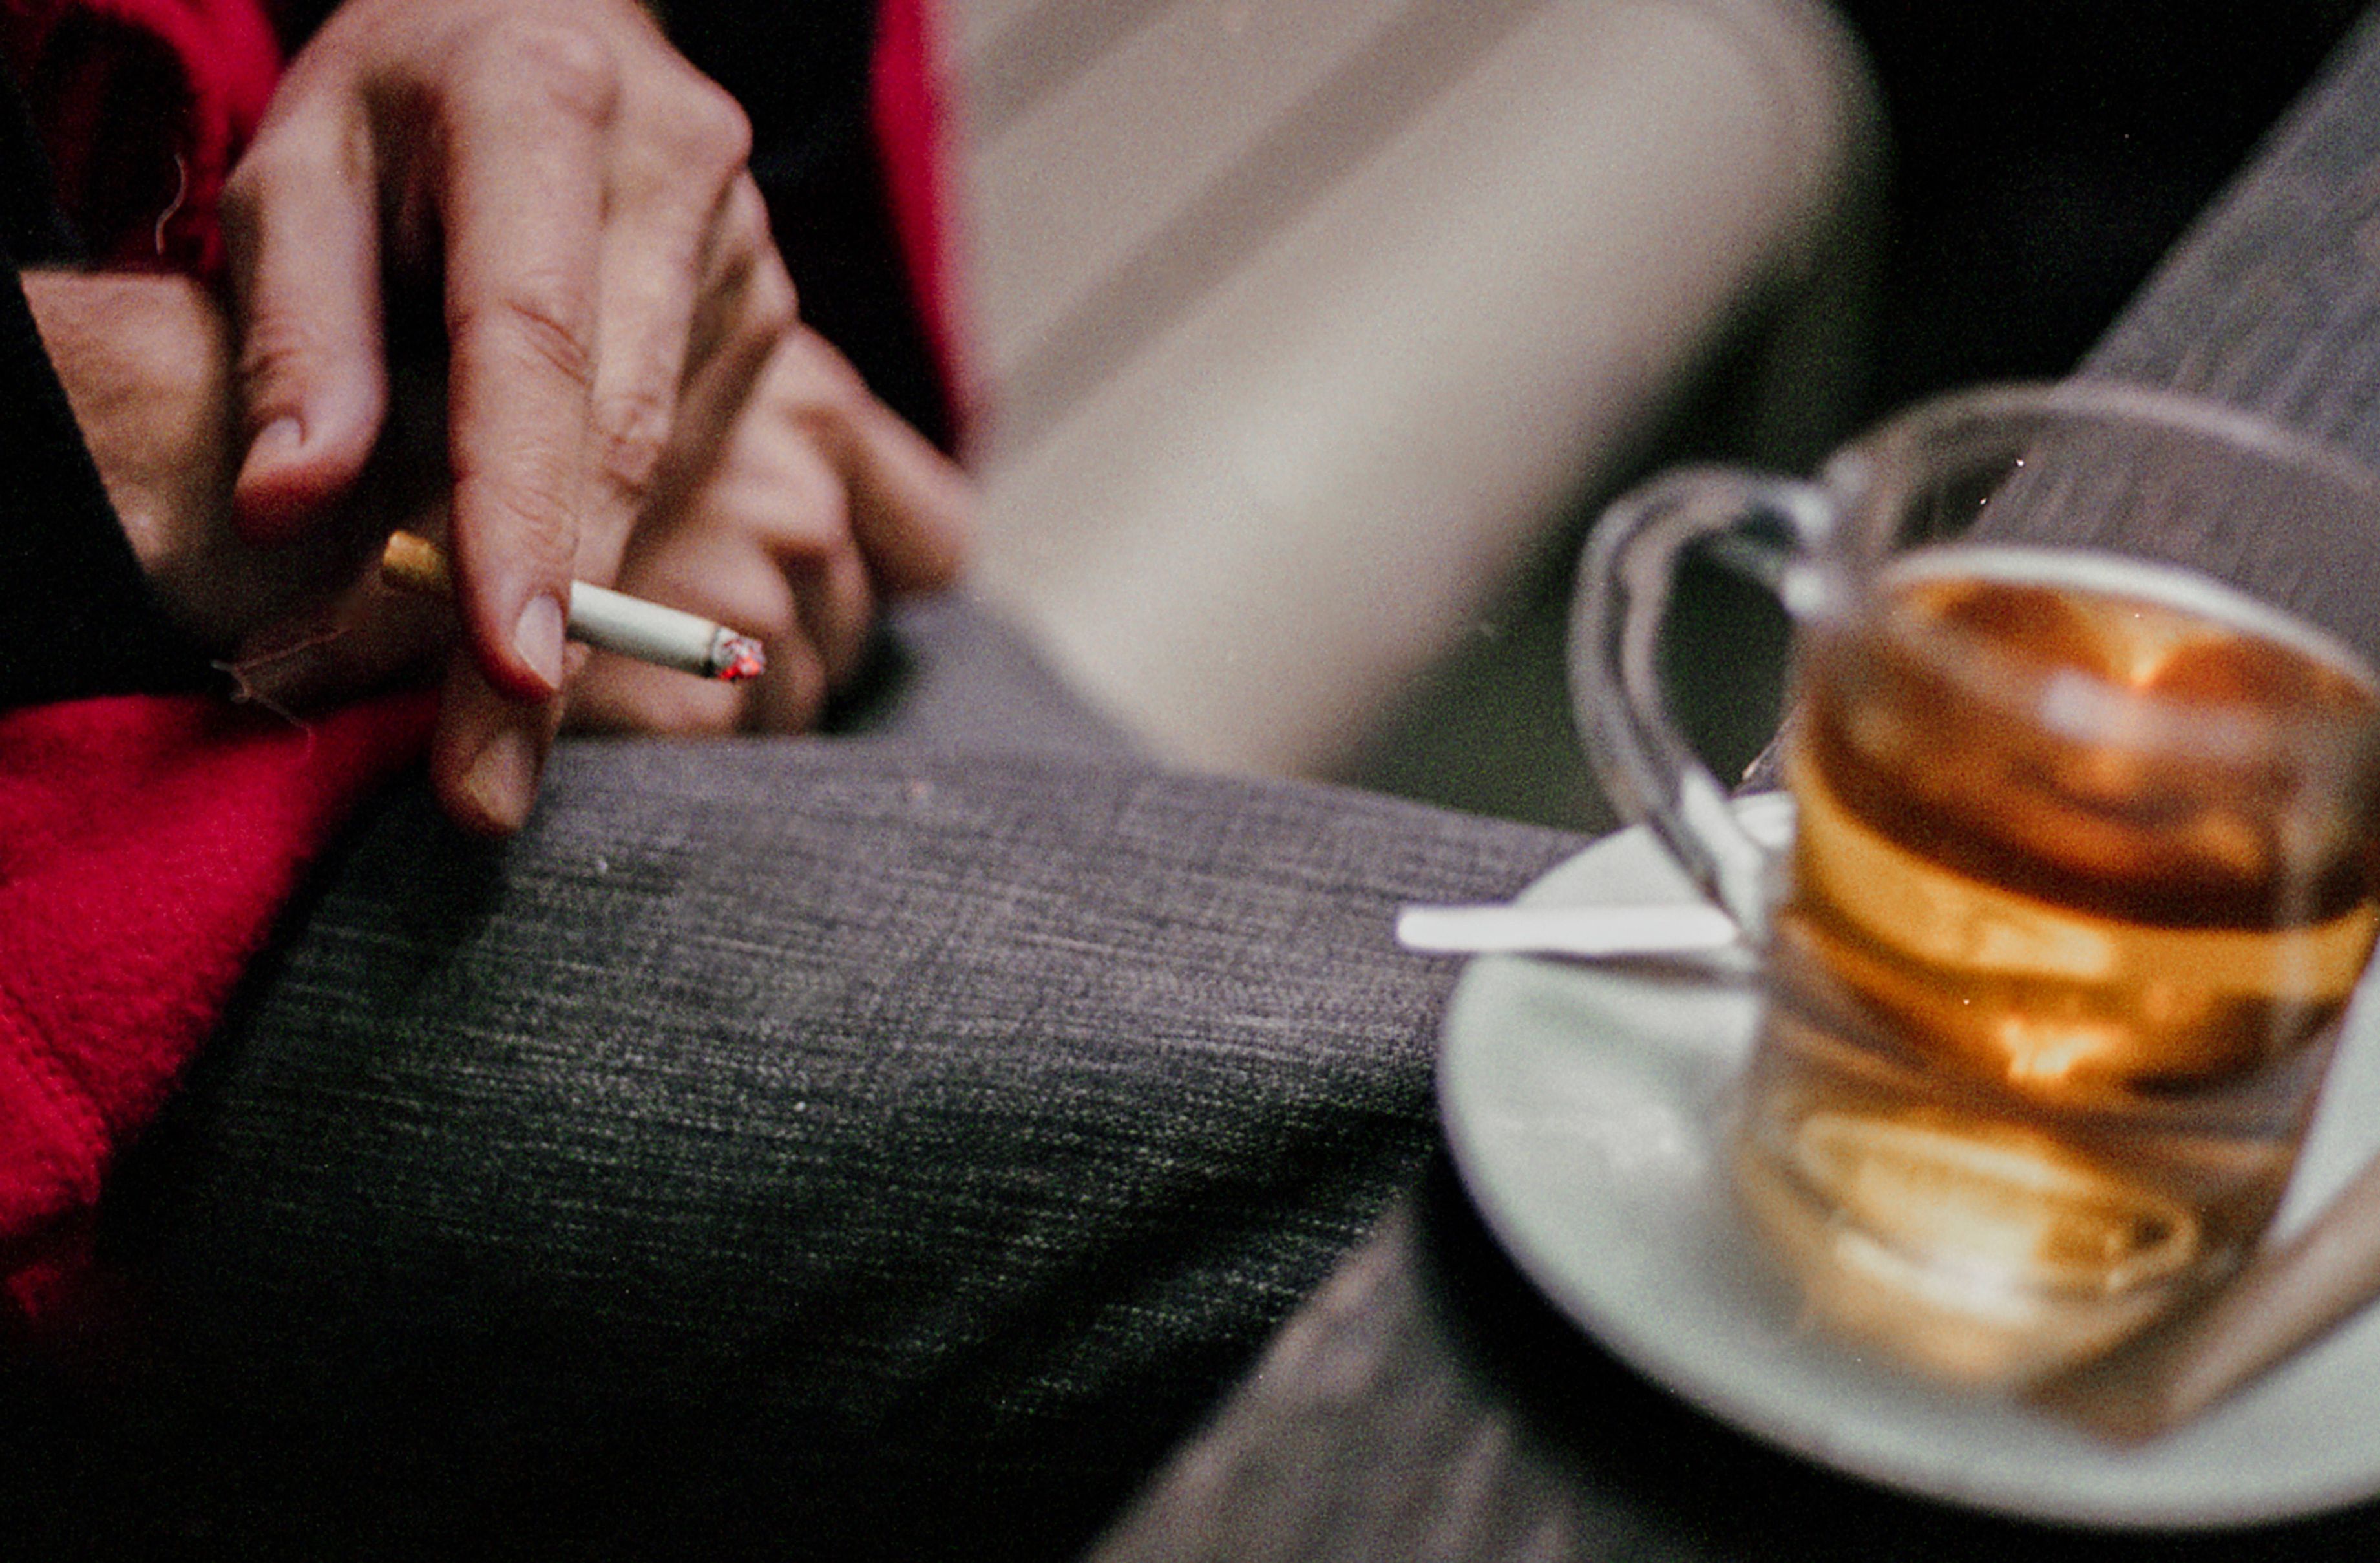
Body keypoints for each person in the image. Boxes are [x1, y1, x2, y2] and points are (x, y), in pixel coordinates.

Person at [0, 0, 1582, 1555]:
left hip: (642, 520)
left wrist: (581, 115)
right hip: (117, 865)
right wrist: (177, 435)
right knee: (1553, 1128)